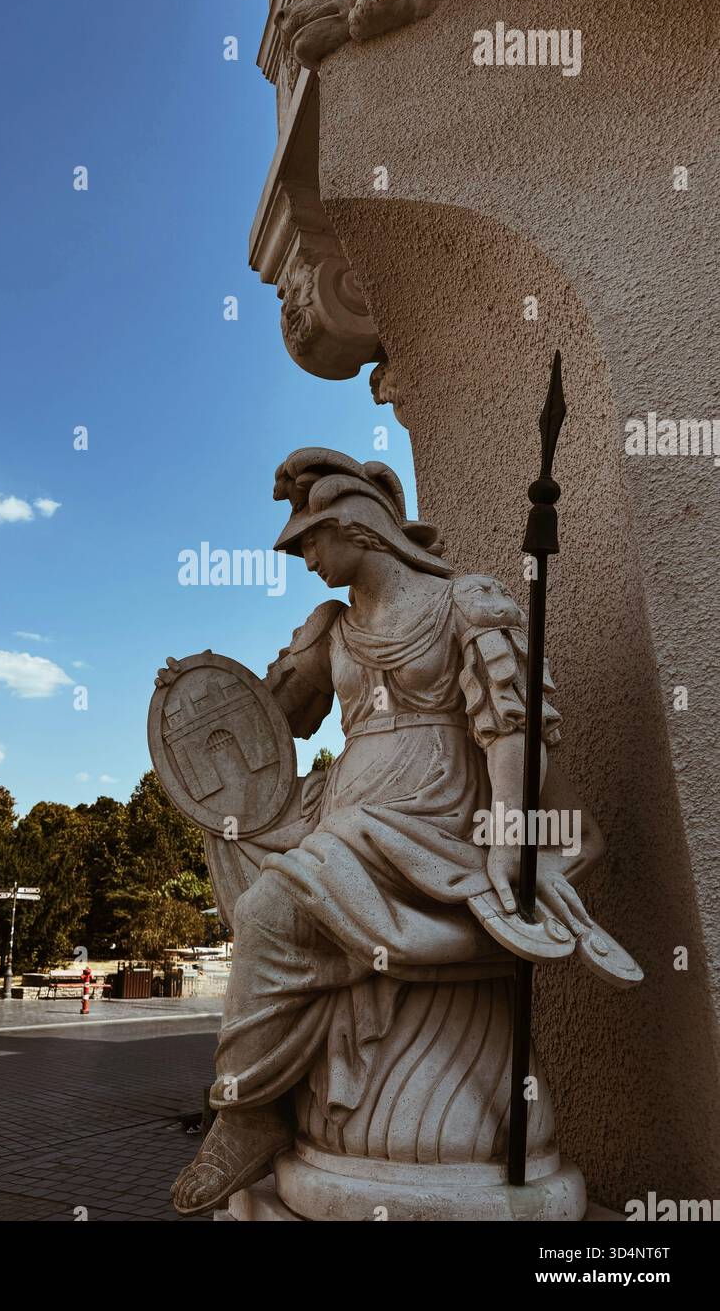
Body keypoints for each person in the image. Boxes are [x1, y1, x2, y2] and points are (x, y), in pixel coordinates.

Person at [167, 448, 612, 1216]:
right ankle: (270, 1099)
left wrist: (507, 836)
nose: (303, 556)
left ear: (357, 526)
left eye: (310, 539)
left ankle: (243, 1110)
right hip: (348, 808)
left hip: (436, 812)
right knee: (242, 838)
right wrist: (195, 698)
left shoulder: (464, 603)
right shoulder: (330, 629)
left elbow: (511, 725)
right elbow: (271, 731)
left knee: (275, 911)